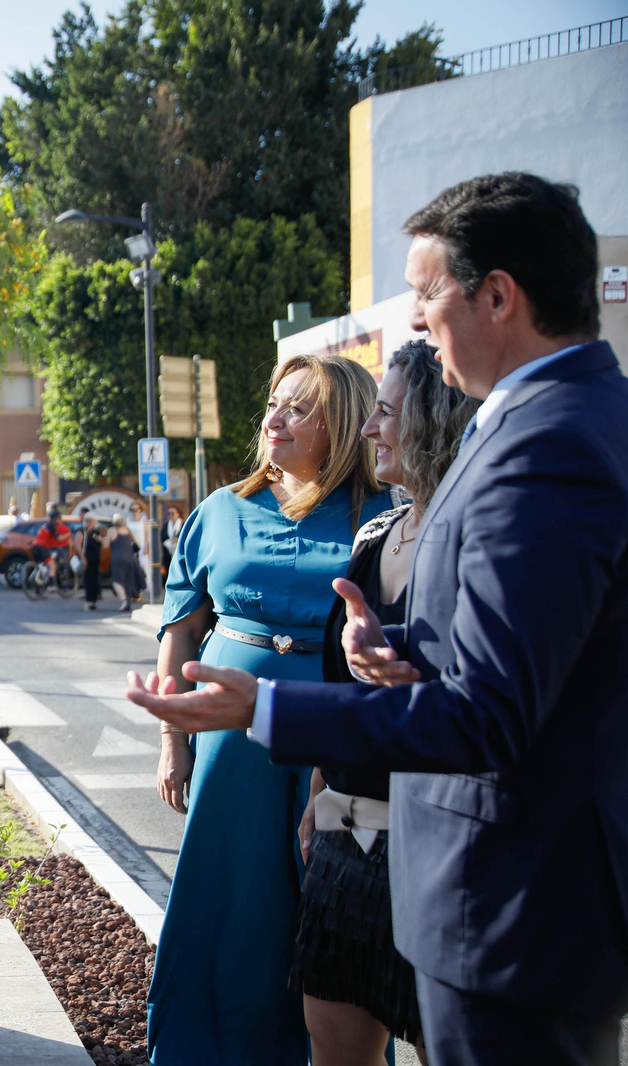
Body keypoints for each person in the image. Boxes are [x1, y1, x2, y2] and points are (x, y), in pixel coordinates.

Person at [128, 174, 628, 1065]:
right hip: (511, 899)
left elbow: (492, 711)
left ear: (500, 296)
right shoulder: (559, 421)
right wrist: (400, 648)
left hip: (515, 906)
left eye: (428, 293)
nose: (420, 322)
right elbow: (541, 648)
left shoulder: (547, 445)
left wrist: (264, 709)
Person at [145, 353, 386, 1066]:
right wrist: (171, 738)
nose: (274, 421)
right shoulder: (221, 510)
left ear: (339, 423)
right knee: (229, 907)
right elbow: (181, 626)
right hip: (228, 738)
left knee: (334, 914)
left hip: (336, 735)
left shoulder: (383, 514)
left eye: (298, 408)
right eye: (273, 405)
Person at [295, 339, 477, 1065]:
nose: (370, 429)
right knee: (334, 1044)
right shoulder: (373, 538)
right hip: (349, 837)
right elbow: (341, 691)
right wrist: (320, 788)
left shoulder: (477, 541)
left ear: (436, 420)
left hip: (443, 851)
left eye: (387, 412)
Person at [106, 514, 144, 613]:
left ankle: (124, 600)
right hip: (130, 557)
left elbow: (106, 545)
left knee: (116, 581)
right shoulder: (128, 530)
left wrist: (101, 539)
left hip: (118, 558)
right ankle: (129, 599)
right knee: (127, 579)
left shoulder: (112, 530)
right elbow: (137, 544)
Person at [31, 507, 72, 586]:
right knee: (52, 565)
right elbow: (59, 538)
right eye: (58, 518)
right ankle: (50, 585)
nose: (59, 520)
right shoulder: (51, 526)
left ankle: (39, 589)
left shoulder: (46, 525)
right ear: (54, 519)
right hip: (41, 547)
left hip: (34, 546)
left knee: (43, 567)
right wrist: (68, 534)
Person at [129, 498, 152, 601]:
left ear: (140, 510)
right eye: (133, 509)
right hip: (131, 547)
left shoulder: (144, 520)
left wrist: (146, 547)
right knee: (133, 569)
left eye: (137, 509)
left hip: (142, 547)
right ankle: (134, 590)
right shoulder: (128, 520)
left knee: (144, 567)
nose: (135, 511)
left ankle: (144, 589)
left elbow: (147, 535)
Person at [80, 514, 103, 611]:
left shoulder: (96, 532)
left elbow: (102, 544)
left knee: (95, 580)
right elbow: (78, 545)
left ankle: (93, 601)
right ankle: (88, 601)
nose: (90, 522)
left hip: (96, 559)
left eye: (92, 520)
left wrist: (100, 540)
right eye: (88, 520)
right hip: (87, 558)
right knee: (88, 580)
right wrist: (82, 557)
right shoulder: (82, 532)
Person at [162, 504, 183, 573]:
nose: (171, 515)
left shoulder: (183, 525)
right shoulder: (166, 526)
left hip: (179, 552)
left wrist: (178, 539)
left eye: (172, 513)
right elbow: (162, 537)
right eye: (169, 514)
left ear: (178, 514)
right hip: (168, 553)